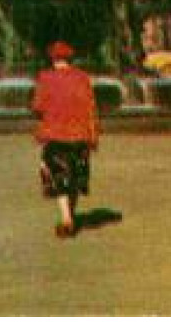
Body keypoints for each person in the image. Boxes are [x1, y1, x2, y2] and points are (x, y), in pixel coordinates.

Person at [32, 41, 99, 238]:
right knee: (75, 176)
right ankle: (71, 214)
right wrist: (93, 135)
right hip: (80, 135)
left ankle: (66, 218)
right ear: (71, 59)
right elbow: (90, 107)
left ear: (52, 59)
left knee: (58, 175)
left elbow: (37, 106)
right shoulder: (82, 78)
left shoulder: (45, 78)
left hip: (55, 135)